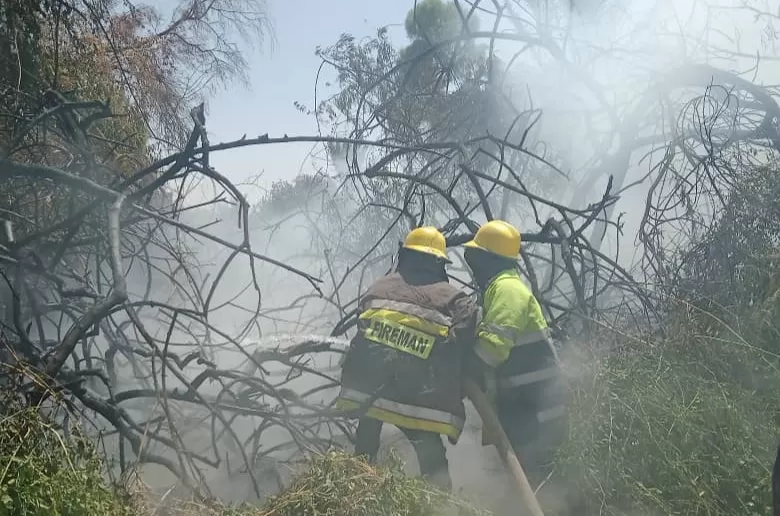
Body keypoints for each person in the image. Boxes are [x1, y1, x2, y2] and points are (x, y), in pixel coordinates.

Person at [336, 226, 477, 491]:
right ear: (439, 263)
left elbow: (363, 333)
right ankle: (441, 505)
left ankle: (355, 497)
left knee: (363, 456)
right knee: (432, 463)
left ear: (405, 255)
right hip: (419, 401)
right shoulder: (455, 299)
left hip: (370, 395)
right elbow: (465, 341)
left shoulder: (378, 287)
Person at [461, 219, 568, 491]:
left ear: (489, 259)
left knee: (542, 486)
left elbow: (492, 349)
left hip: (536, 410)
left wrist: (462, 368)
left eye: (476, 256)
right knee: (529, 484)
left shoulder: (508, 289)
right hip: (526, 407)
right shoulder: (501, 287)